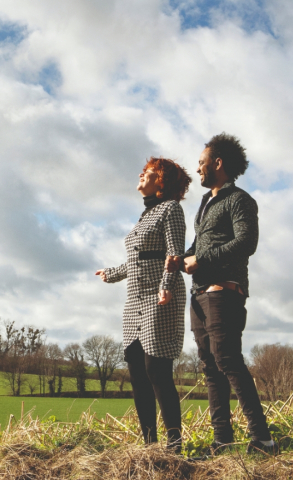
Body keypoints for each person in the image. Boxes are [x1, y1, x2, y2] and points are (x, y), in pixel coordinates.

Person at [166, 133, 277, 455]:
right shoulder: (206, 202)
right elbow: (202, 243)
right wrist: (182, 258)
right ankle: (222, 442)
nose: (197, 169)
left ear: (218, 163)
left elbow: (246, 242)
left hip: (223, 291)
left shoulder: (240, 200)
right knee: (210, 369)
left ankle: (263, 440)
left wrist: (201, 260)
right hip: (199, 293)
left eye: (201, 162)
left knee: (228, 361)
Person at [96, 157, 191, 453]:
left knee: (157, 371)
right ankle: (150, 447)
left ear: (161, 181)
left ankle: (174, 445)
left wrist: (166, 286)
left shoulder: (171, 209)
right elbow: (138, 259)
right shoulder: (145, 215)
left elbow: (174, 253)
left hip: (159, 296)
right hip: (134, 301)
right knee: (137, 374)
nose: (141, 174)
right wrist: (112, 273)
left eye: (147, 172)